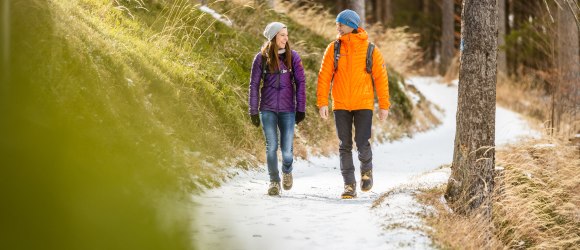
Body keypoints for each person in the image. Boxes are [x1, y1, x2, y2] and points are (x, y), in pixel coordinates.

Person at [316, 10, 390, 199]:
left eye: (340, 24)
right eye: (337, 24)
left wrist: (384, 106)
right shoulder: (333, 48)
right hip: (340, 104)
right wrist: (322, 102)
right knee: (344, 145)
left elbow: (381, 78)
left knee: (362, 142)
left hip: (363, 103)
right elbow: (324, 77)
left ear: (351, 26)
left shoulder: (370, 49)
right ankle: (349, 185)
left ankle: (366, 172)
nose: (337, 27)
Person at [248, 22, 307, 196]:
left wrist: (300, 108)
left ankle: (287, 170)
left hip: (288, 110)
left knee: (287, 149)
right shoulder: (261, 58)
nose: (286, 38)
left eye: (286, 35)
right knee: (271, 146)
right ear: (273, 37)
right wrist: (253, 110)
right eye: (282, 35)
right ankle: (274, 181)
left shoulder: (293, 57)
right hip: (267, 109)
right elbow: (253, 85)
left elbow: (301, 83)